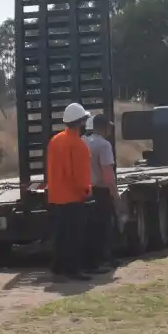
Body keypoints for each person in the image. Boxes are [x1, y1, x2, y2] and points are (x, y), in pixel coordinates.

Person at [46, 102, 99, 282]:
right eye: (84, 120)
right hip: (73, 197)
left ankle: (58, 267)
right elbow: (78, 174)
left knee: (60, 235)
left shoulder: (56, 140)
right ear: (80, 122)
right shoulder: (78, 145)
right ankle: (73, 269)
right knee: (74, 236)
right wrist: (87, 192)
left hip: (56, 197)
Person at [84, 113, 120, 271]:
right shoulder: (104, 145)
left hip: (85, 190)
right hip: (101, 191)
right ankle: (104, 260)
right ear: (104, 127)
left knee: (90, 228)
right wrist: (115, 193)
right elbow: (107, 174)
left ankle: (91, 261)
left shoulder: (82, 141)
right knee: (105, 227)